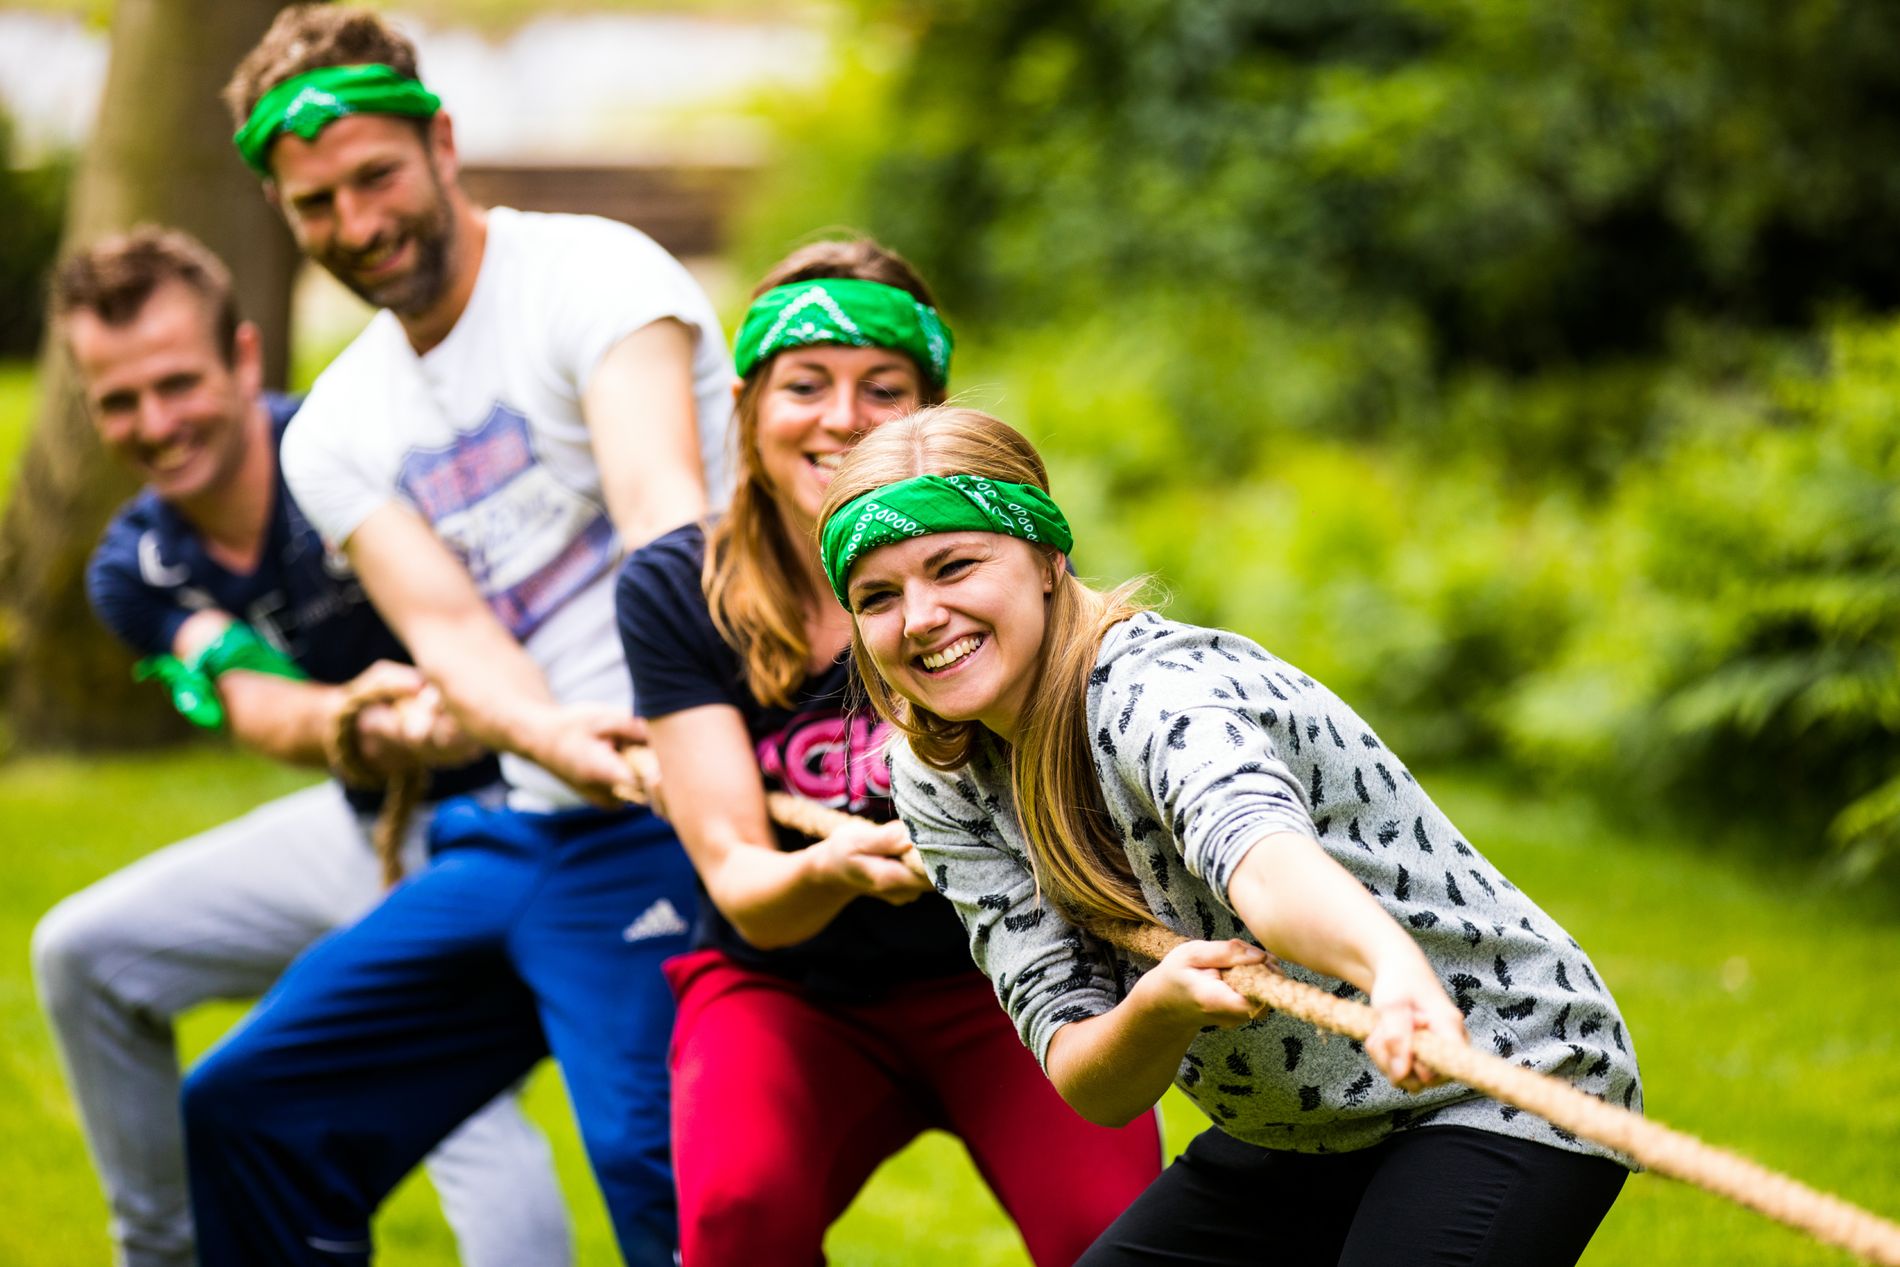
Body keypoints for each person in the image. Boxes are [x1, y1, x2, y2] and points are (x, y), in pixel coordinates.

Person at [816, 405, 1642, 1266]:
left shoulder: (1156, 696)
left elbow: (1264, 861)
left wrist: (1390, 966)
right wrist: (1157, 1008)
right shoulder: (935, 773)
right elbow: (1088, 1076)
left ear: (1048, 558)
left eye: (954, 566)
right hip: (1303, 1125)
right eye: (878, 596)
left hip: (1497, 1072)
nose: (919, 617)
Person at [178, 7, 731, 1263]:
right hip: (520, 827)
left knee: (666, 1166)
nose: (358, 224)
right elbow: (448, 630)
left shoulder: (595, 276)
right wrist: (553, 741)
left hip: (679, 805)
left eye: (375, 175)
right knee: (253, 1107)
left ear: (442, 140)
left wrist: (655, 748)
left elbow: (663, 516)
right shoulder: (331, 429)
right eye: (316, 203)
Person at [29, 226, 571, 1267]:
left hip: (502, 827)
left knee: (458, 1116)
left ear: (243, 355)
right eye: (118, 399)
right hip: (362, 818)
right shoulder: (137, 561)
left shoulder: (356, 450)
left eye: (177, 381)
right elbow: (246, 694)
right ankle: (166, 1249)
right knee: (82, 953)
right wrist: (348, 723)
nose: (155, 422)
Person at [615, 241, 1162, 1265]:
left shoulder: (996, 569)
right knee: (739, 1212)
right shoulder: (675, 589)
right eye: (805, 384)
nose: (841, 416)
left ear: (931, 414)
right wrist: (831, 866)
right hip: (789, 987)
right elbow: (741, 881)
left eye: (883, 386)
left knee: (1117, 1237)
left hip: (1006, 969)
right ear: (747, 406)